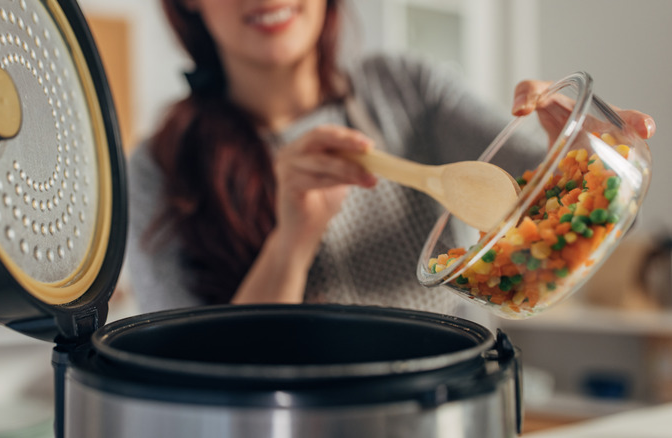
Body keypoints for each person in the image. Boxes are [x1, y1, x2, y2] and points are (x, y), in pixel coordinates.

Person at [126, 0, 656, 314]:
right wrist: (292, 241)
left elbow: (583, 221)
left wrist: (587, 151)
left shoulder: (408, 88)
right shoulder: (157, 169)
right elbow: (192, 383)